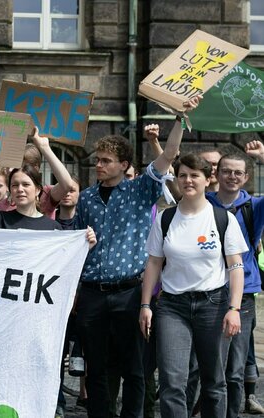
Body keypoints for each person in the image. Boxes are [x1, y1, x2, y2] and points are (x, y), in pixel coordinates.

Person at [75, 96, 198, 418]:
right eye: (97, 160)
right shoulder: (86, 198)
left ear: (124, 165)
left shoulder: (141, 189)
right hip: (92, 291)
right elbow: (73, 241)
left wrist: (178, 119)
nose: (98, 165)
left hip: (130, 292)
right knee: (96, 368)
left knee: (134, 368)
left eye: (105, 160)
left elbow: (170, 155)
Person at [139, 153, 246, 418]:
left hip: (213, 306)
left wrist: (234, 308)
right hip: (172, 306)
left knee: (213, 382)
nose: (188, 180)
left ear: (207, 179)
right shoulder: (165, 219)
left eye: (195, 175)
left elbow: (235, 267)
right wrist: (145, 305)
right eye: (183, 175)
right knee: (172, 382)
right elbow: (153, 263)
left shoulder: (223, 219)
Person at [210, 144, 264, 415]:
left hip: (243, 294)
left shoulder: (253, 206)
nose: (232, 176)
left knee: (235, 368)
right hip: (208, 289)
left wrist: (263, 158)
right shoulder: (204, 202)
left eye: (238, 173)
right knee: (207, 366)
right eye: (227, 171)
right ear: (217, 174)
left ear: (246, 178)